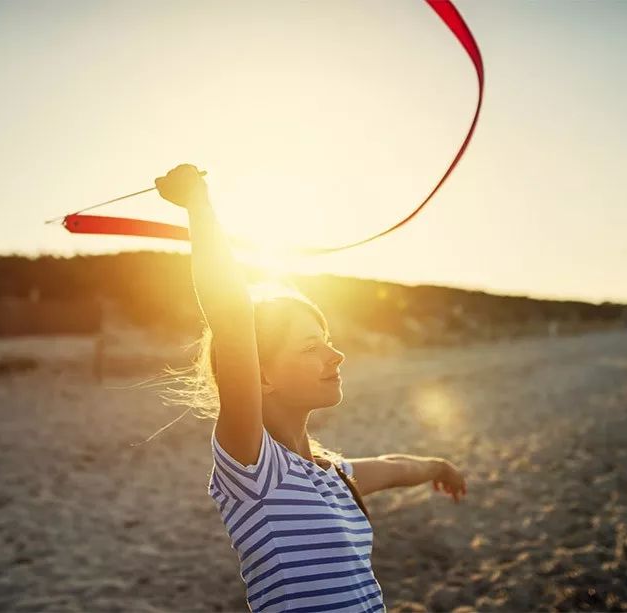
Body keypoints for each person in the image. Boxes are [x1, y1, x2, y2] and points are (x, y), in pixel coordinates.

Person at [155, 164, 468, 612]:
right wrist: (198, 203)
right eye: (309, 347)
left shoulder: (331, 473)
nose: (335, 355)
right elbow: (231, 314)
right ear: (261, 374)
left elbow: (394, 467)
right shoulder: (255, 467)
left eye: (328, 342)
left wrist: (438, 466)